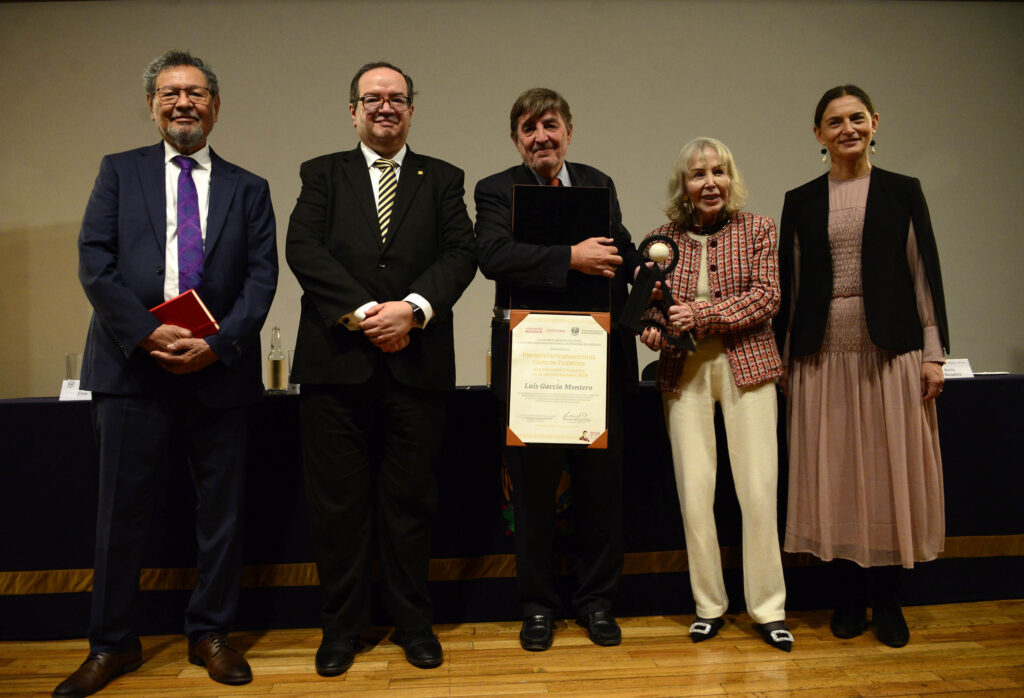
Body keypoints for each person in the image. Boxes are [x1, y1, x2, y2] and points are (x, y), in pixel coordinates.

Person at [55, 50, 278, 697]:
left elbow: (262, 279)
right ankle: (112, 644)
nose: (184, 102)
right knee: (120, 515)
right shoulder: (118, 173)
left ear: (215, 105)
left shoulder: (249, 187)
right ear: (152, 105)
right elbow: (95, 262)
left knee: (222, 516)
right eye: (171, 92)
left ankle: (210, 634)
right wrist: (148, 331)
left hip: (220, 373)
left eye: (197, 93)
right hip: (132, 370)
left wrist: (219, 344)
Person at [286, 61, 476, 675]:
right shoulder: (322, 174)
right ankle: (341, 630)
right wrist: (369, 313)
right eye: (372, 99)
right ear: (353, 111)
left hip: (415, 368)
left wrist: (413, 311)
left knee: (409, 504)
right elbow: (303, 249)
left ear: (412, 110)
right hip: (336, 368)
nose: (385, 107)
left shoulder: (443, 178)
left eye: (396, 99)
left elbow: (460, 253)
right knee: (338, 508)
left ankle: (413, 624)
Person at [776, 85, 949, 648]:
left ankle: (889, 601)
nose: (847, 128)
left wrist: (932, 354)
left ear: (874, 122)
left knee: (888, 476)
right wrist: (782, 361)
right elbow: (792, 285)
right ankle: (847, 598)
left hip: (891, 354)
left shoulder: (903, 191)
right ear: (818, 134)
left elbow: (923, 273)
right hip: (822, 358)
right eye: (834, 121)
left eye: (856, 118)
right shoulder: (800, 199)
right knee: (838, 479)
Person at [475, 87, 641, 652]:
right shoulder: (496, 189)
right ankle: (537, 607)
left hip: (597, 357)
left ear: (568, 131)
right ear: (516, 139)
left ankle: (597, 603)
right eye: (528, 129)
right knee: (533, 493)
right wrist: (572, 257)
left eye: (550, 125)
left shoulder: (598, 182)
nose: (540, 137)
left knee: (601, 490)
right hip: (535, 361)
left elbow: (618, 253)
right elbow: (493, 257)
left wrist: (653, 266)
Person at [638, 138, 792, 651]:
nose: (710, 183)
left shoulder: (759, 229)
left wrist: (702, 315)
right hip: (684, 371)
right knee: (695, 493)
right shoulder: (660, 238)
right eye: (698, 174)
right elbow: (651, 305)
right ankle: (708, 606)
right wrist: (654, 327)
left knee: (757, 491)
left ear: (731, 178)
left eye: (719, 171)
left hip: (748, 367)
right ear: (683, 185)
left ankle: (769, 609)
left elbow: (767, 297)